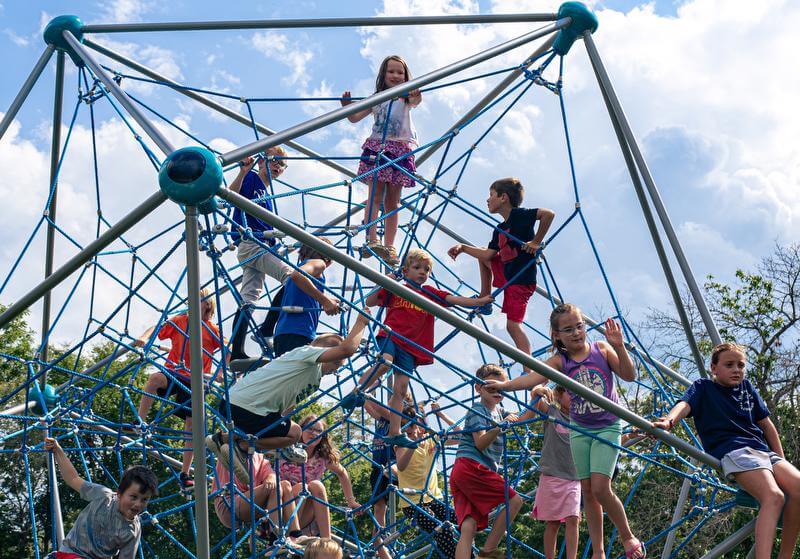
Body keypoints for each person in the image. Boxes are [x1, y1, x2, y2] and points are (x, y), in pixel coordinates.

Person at [486, 303, 645, 559]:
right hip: (580, 430)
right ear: (557, 335)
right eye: (568, 329)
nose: (575, 333)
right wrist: (505, 385)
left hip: (607, 426)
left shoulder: (600, 350)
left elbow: (628, 375)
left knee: (602, 487)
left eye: (579, 326)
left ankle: (627, 537)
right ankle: (599, 552)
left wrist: (618, 346)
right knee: (589, 491)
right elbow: (533, 377)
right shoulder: (561, 361)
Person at [653, 342, 800, 559]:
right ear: (714, 368)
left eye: (740, 365)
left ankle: (785, 555)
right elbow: (684, 405)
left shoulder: (747, 388)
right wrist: (669, 421)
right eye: (729, 365)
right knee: (774, 496)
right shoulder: (703, 387)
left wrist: (781, 461)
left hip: (763, 452)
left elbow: (766, 425)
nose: (736, 370)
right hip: (735, 451)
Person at [346, 248, 492, 448]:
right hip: (391, 335)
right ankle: (356, 392)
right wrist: (388, 279)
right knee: (384, 363)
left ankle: (395, 431)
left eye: (427, 269)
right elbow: (369, 300)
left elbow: (452, 299)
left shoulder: (429, 293)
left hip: (411, 347)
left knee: (401, 387)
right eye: (417, 268)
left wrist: (477, 301)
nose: (422, 272)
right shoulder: (397, 288)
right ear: (405, 271)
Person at [206, 309, 371, 485]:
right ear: (323, 352)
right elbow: (347, 349)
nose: (337, 368)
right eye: (336, 361)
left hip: (234, 404)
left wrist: (278, 444)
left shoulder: (313, 381)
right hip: (245, 407)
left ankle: (221, 439)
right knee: (295, 433)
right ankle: (241, 448)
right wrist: (361, 322)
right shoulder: (306, 353)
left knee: (286, 431)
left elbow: (285, 411)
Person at [229, 146, 340, 360]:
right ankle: (267, 329)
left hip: (256, 247)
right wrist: (243, 171)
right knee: (292, 277)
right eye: (274, 161)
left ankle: (236, 352)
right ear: (261, 161)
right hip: (254, 244)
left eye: (282, 164)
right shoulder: (253, 179)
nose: (278, 167)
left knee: (248, 299)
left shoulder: (267, 194)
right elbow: (231, 194)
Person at [447, 177, 554, 375]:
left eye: (491, 195)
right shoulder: (499, 229)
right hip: (508, 272)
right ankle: (484, 299)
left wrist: (536, 241)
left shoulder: (521, 215)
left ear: (503, 197)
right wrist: (462, 248)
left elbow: (549, 214)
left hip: (521, 280)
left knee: (513, 326)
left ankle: (528, 370)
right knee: (483, 253)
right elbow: (488, 255)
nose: (487, 200)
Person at [133, 287, 223, 489]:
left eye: (197, 299)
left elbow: (228, 349)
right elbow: (158, 327)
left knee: (191, 425)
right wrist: (144, 337)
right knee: (154, 379)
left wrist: (219, 374)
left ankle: (185, 472)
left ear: (207, 304)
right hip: (175, 372)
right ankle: (139, 421)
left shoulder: (212, 329)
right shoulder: (181, 320)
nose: (191, 303)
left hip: (197, 380)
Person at [341, 55, 422, 267]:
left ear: (405, 76)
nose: (395, 76)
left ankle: (390, 246)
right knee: (374, 196)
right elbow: (354, 117)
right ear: (383, 75)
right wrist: (347, 106)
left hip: (400, 149)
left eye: (399, 72)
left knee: (393, 202)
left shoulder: (405, 97)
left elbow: (416, 101)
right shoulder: (375, 98)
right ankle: (371, 239)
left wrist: (414, 93)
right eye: (391, 72)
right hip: (378, 147)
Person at [450, 364, 523, 559]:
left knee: (469, 526)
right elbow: (481, 443)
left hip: (462, 471)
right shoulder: (477, 410)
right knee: (515, 500)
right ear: (478, 388)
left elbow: (524, 418)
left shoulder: (499, 412)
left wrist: (538, 395)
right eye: (491, 387)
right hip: (472, 467)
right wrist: (498, 428)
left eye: (501, 388)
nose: (497, 392)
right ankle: (488, 550)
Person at [44, 437, 158, 559]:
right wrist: (58, 450)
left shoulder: (132, 531)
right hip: (71, 553)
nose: (138, 504)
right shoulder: (103, 497)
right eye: (133, 497)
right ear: (119, 493)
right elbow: (73, 479)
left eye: (144, 499)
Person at [519, 385, 580, 559]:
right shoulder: (553, 413)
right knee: (553, 523)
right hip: (552, 475)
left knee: (573, 518)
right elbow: (537, 400)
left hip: (573, 477)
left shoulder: (582, 423)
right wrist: (538, 389)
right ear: (559, 396)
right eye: (571, 392)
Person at [279, 414, 361, 539]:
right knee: (302, 487)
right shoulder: (286, 449)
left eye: (318, 431)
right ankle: (292, 535)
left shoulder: (321, 456)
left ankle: (326, 540)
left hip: (306, 513)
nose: (314, 433)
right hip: (283, 508)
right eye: (310, 428)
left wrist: (351, 501)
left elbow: (342, 473)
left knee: (316, 485)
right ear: (300, 429)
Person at [395, 402, 458, 559]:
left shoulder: (433, 439)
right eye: (404, 425)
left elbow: (462, 435)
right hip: (412, 503)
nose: (409, 429)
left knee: (462, 523)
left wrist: (441, 415)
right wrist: (413, 445)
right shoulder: (402, 442)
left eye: (412, 424)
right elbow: (401, 466)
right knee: (442, 532)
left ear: (422, 423)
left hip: (434, 498)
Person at [211, 451, 312, 549]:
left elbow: (270, 473)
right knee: (275, 487)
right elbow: (223, 439)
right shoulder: (228, 448)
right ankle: (274, 540)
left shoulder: (258, 456)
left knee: (284, 484)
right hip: (228, 504)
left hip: (251, 504)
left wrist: (271, 477)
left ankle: (295, 535)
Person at [273, 239, 337, 357]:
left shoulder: (304, 266)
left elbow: (300, 287)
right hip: (298, 333)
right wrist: (325, 301)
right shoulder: (319, 263)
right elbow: (297, 276)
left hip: (284, 333)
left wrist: (326, 299)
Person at [364, 397, 400, 559]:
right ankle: (379, 536)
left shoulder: (396, 419)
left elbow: (379, 407)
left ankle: (381, 537)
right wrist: (362, 396)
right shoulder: (382, 420)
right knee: (379, 507)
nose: (389, 404)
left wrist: (367, 393)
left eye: (393, 402)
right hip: (377, 467)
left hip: (392, 464)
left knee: (384, 503)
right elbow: (370, 409)